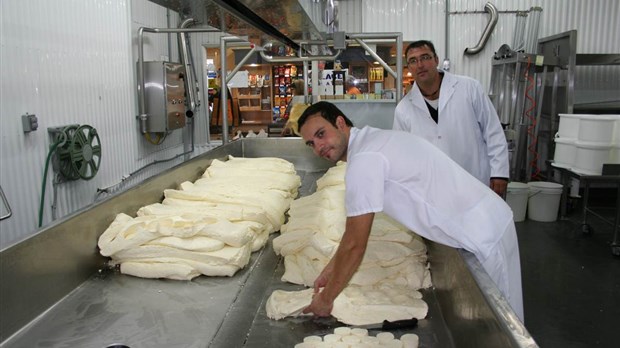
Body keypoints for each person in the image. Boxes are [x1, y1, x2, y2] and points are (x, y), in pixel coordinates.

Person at [298, 101, 524, 321]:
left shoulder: (365, 159)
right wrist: (332, 268)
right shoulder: (373, 141)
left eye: (321, 134)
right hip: (485, 220)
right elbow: (352, 236)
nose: (319, 147)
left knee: (501, 326)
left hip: (484, 233)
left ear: (339, 123)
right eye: (311, 143)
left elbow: (356, 243)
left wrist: (326, 300)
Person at [394, 40, 509, 196]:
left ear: (436, 60)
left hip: (475, 181)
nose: (420, 65)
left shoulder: (469, 88)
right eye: (413, 61)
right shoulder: (403, 109)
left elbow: (493, 131)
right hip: (433, 189)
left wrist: (499, 173)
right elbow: (403, 154)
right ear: (409, 68)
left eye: (425, 57)